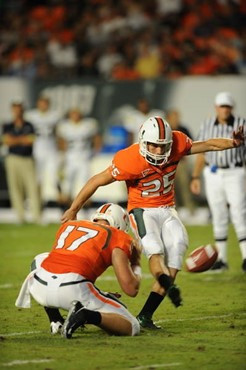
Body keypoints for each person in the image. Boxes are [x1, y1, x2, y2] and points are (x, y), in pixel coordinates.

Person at [61, 116, 244, 329]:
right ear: (143, 141)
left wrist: (233, 143)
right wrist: (73, 209)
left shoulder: (177, 143)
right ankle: (166, 284)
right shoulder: (129, 159)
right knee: (154, 250)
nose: (158, 151)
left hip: (167, 208)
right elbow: (96, 181)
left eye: (163, 146)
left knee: (178, 245)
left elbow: (208, 145)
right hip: (142, 210)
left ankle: (146, 315)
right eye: (154, 146)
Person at [15, 203, 141, 338]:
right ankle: (86, 315)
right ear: (120, 225)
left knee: (41, 258)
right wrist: (136, 262)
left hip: (39, 287)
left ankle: (55, 320)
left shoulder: (70, 225)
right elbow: (130, 289)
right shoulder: (118, 235)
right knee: (132, 326)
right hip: (72, 288)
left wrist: (101, 294)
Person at [190, 92, 246, 272]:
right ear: (216, 107)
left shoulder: (241, 124)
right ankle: (221, 259)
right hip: (212, 172)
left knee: (239, 212)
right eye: (222, 106)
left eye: (228, 106)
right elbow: (201, 152)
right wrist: (196, 176)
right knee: (218, 213)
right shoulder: (207, 124)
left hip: (235, 170)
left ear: (232, 108)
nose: (225, 110)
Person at [2, 99, 41, 223]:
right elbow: (6, 141)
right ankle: (20, 216)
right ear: (13, 110)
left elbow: (31, 140)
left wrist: (15, 140)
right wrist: (21, 139)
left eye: (19, 108)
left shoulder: (29, 125)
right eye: (15, 108)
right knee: (15, 187)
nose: (18, 111)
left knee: (32, 187)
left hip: (27, 159)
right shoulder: (8, 125)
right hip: (12, 158)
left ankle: (36, 216)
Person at [56, 107, 102, 208]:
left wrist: (96, 150)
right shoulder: (65, 126)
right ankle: (67, 207)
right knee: (67, 185)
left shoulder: (88, 124)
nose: (75, 115)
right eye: (73, 113)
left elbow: (97, 137)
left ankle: (85, 208)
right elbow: (61, 140)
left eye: (77, 113)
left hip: (84, 156)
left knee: (85, 183)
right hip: (70, 157)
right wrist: (62, 154)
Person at [25, 95, 61, 207]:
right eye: (42, 103)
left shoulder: (55, 115)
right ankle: (35, 201)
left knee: (54, 177)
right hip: (37, 150)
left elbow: (59, 132)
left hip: (51, 150)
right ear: (38, 104)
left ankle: (60, 201)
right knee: (37, 178)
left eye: (45, 103)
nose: (43, 105)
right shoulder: (31, 115)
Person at [166, 109, 196, 214]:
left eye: (177, 117)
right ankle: (174, 210)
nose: (176, 120)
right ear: (168, 118)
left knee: (185, 186)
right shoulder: (165, 130)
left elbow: (192, 143)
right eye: (174, 117)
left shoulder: (183, 129)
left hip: (181, 162)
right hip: (167, 163)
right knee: (170, 188)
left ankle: (191, 210)